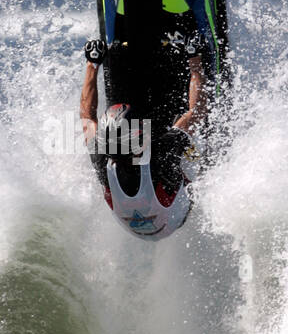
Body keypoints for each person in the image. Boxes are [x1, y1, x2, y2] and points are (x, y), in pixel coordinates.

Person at [79, 12, 208, 239]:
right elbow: (196, 112)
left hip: (134, 227)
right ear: (140, 140)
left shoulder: (101, 156)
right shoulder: (162, 155)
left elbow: (87, 117)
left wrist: (92, 64)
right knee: (187, 132)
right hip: (174, 218)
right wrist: (195, 60)